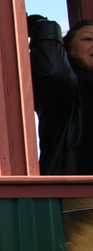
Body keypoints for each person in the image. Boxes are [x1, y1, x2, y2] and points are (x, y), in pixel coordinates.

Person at [28, 15, 93, 175]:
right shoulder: (68, 91)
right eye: (88, 39)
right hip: (76, 193)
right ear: (67, 49)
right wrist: (43, 27)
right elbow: (55, 73)